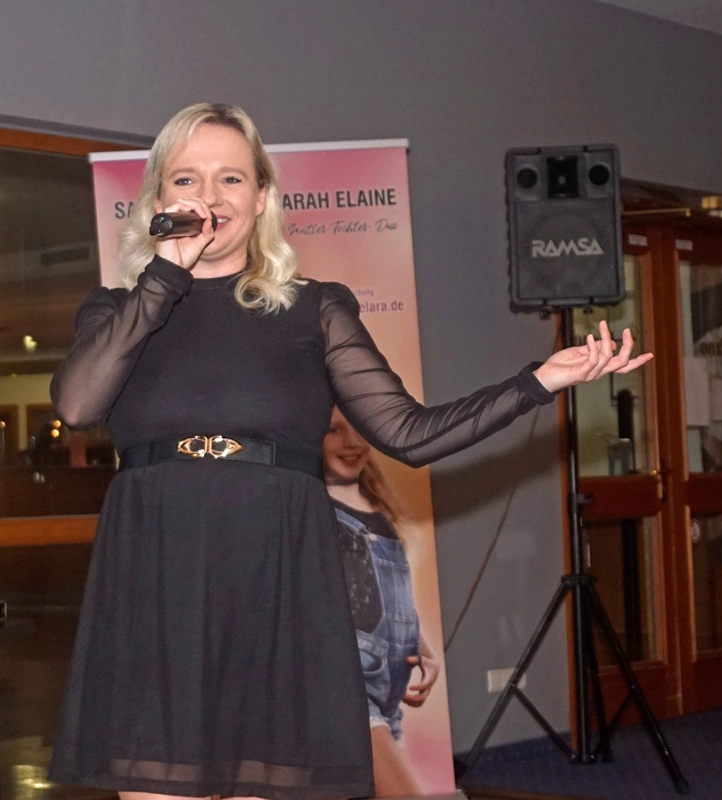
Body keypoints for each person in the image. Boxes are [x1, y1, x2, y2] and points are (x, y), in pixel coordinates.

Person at [48, 101, 653, 800]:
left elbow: (410, 434)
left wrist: (539, 381)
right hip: (158, 577)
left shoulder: (314, 308)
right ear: (160, 200)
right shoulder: (115, 311)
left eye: (231, 179)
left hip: (276, 574)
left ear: (263, 197)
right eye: (187, 179)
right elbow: (77, 406)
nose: (209, 197)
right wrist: (164, 278)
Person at [323, 406, 439, 797]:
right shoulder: (314, 510)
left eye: (360, 429)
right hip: (347, 687)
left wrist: (422, 648)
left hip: (389, 697)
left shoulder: (378, 507)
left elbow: (388, 593)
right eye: (334, 431)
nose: (353, 442)